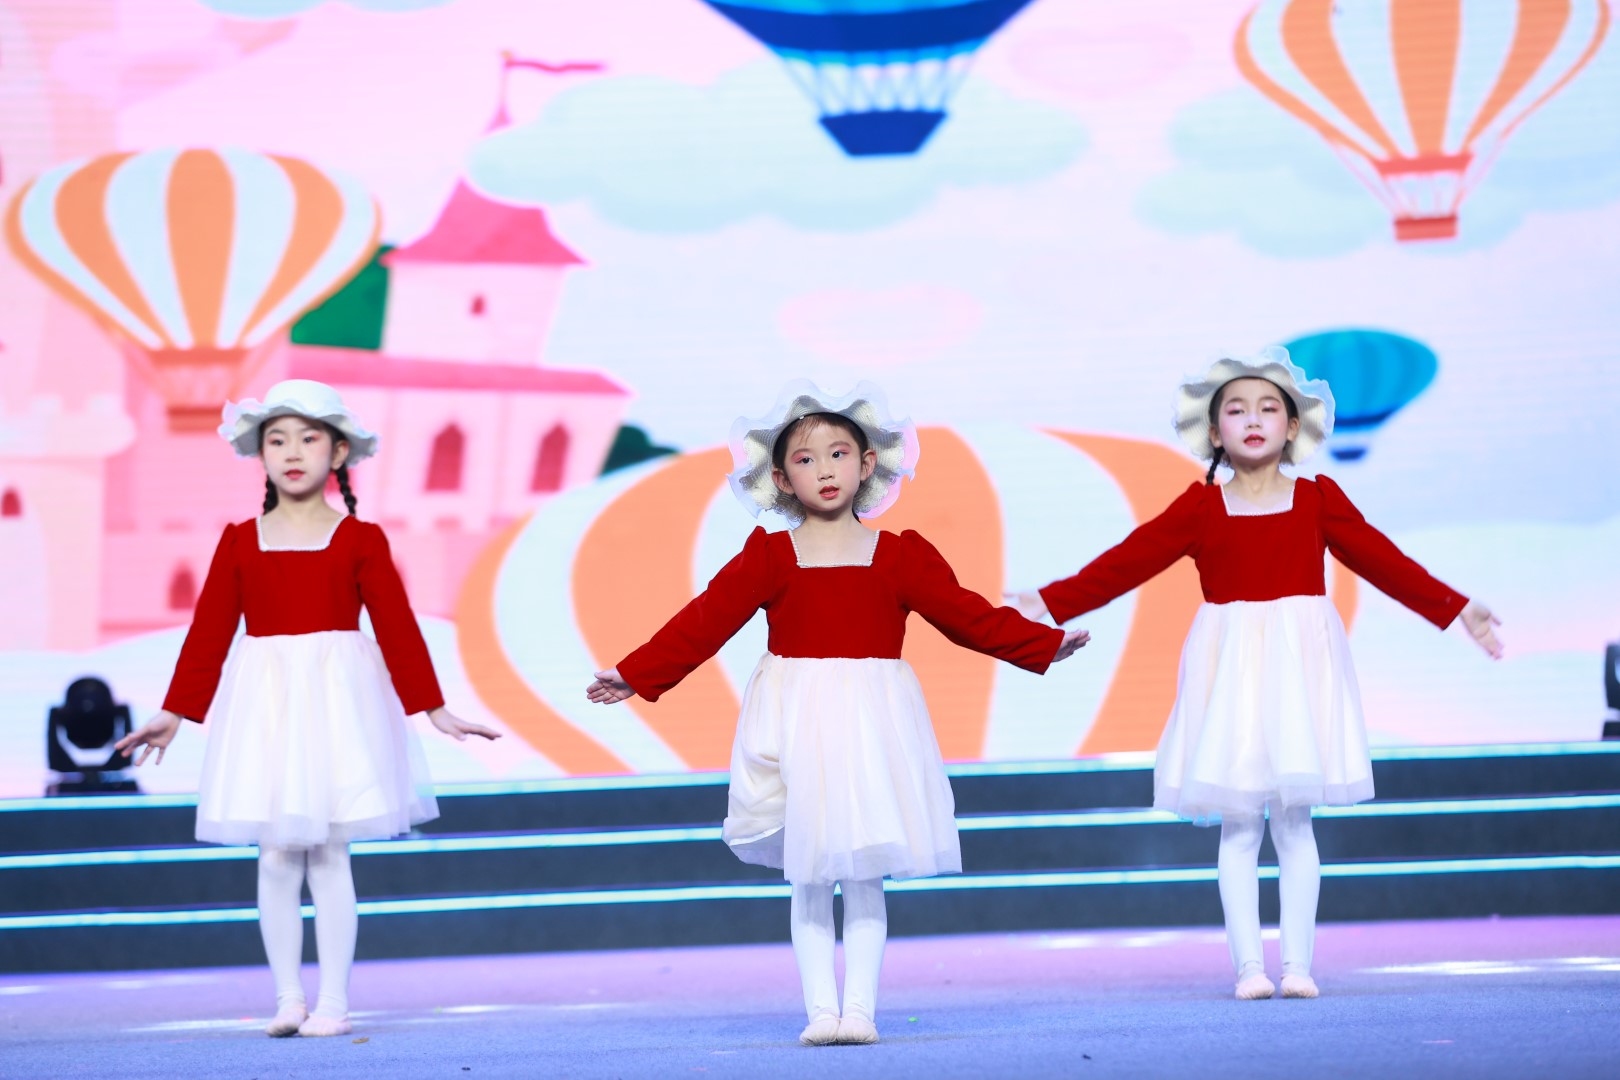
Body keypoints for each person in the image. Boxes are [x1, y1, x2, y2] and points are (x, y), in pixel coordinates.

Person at [587, 381, 1089, 1045]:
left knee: (864, 872)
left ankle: (860, 1012)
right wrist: (636, 673)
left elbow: (967, 615)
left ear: (867, 464)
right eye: (805, 459)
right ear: (780, 479)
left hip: (871, 724)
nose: (824, 469)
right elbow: (703, 622)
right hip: (794, 723)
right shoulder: (769, 556)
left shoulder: (902, 555)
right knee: (810, 873)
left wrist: (1043, 645)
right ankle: (821, 1012)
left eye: (838, 454)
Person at [1007, 349, 1502, 1001]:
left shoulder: (1318, 499)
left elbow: (1383, 560)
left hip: (1300, 672)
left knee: (1295, 822)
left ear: (1293, 427)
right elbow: (1126, 562)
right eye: (1236, 411)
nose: (1253, 420)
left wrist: (1456, 606)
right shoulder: (1200, 507)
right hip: (1231, 673)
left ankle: (1297, 966)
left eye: (1269, 408)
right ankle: (1249, 967)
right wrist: (1047, 602)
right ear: (1215, 433)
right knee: (1240, 824)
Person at [116, 379, 499, 1037]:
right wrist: (174, 712)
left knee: (328, 854)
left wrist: (433, 708)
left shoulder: (360, 539)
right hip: (266, 708)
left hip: (337, 706)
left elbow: (397, 628)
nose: (292, 451)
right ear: (260, 454)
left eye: (309, 437)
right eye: (277, 440)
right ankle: (288, 999)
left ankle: (334, 1004)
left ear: (338, 452)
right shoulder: (240, 541)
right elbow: (209, 632)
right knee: (273, 855)